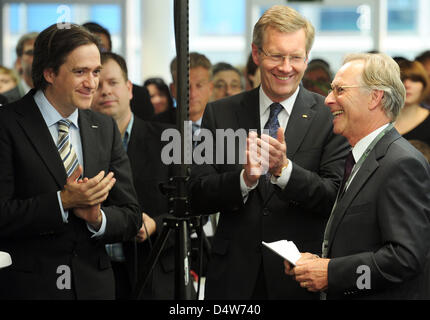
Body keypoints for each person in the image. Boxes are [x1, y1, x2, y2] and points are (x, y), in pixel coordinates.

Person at [189, 5, 349, 300]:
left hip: (299, 276)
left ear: (306, 58)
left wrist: (284, 171)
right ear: (256, 54)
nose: (286, 67)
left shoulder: (330, 117)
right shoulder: (220, 113)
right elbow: (196, 193)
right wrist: (244, 180)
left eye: (295, 57)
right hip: (232, 278)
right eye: (276, 55)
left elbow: (334, 197)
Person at [0, 23, 142, 300]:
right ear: (49, 73)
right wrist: (62, 202)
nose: (92, 83)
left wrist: (98, 218)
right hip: (30, 288)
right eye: (80, 72)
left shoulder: (105, 127)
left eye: (96, 72)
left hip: (95, 288)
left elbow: (131, 214)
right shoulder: (7, 124)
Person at [284, 53, 430, 300]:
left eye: (340, 90)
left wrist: (332, 272)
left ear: (375, 97)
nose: (328, 100)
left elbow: (405, 259)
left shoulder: (400, 163)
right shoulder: (361, 157)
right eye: (331, 90)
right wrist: (320, 263)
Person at [91, 52, 175, 299]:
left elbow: (195, 203)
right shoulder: (77, 145)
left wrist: (155, 225)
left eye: (113, 82)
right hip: (97, 276)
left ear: (129, 89)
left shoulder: (169, 138)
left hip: (154, 274)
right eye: (98, 85)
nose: (105, 91)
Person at [83, 22, 155, 121]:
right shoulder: (75, 94)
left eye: (101, 48)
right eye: (88, 50)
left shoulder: (139, 96)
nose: (106, 91)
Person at [394, 59, 430, 146]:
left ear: (424, 85)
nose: (407, 85)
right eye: (401, 79)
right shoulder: (377, 121)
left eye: (414, 80)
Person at [2, 32, 38, 103]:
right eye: (31, 53)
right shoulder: (4, 100)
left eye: (41, 52)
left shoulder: (59, 96)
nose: (37, 57)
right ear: (19, 61)